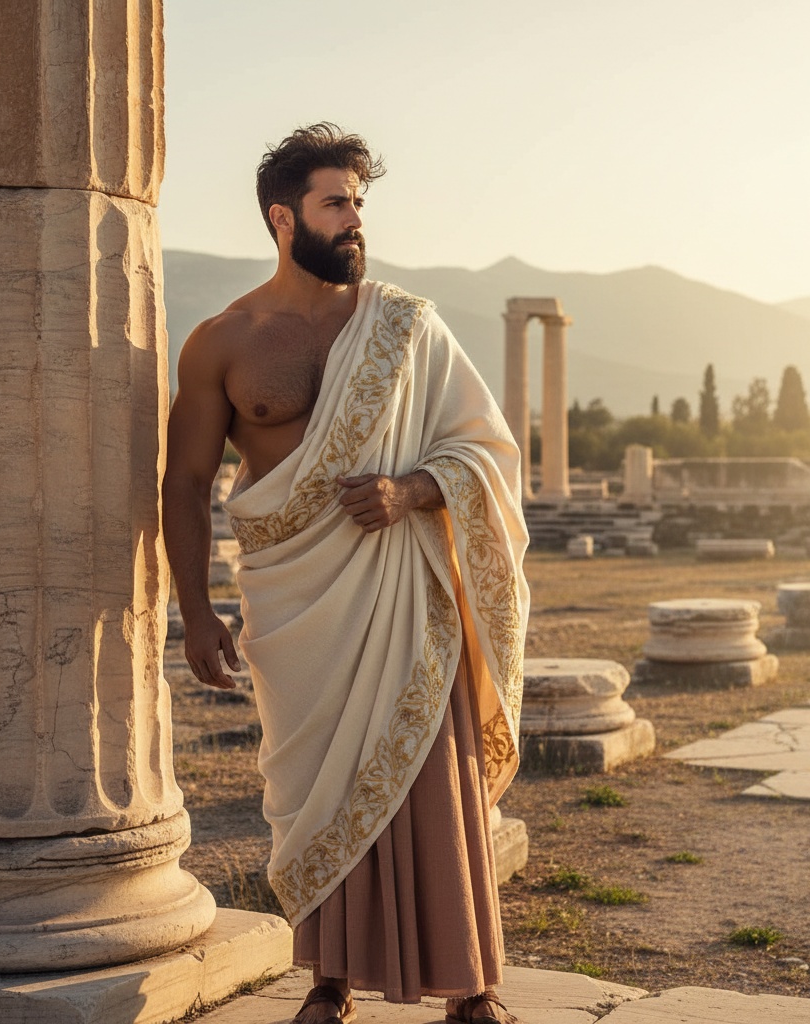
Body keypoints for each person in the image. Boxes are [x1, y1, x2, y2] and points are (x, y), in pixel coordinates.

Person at [163, 123, 530, 1024]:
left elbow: (485, 449)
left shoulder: (408, 325)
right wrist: (195, 612)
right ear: (284, 219)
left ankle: (472, 991)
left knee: (430, 774)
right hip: (295, 601)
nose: (355, 219)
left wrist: (412, 489)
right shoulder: (220, 342)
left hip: (406, 590)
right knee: (314, 787)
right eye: (337, 202)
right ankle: (329, 979)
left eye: (360, 202)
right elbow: (183, 483)